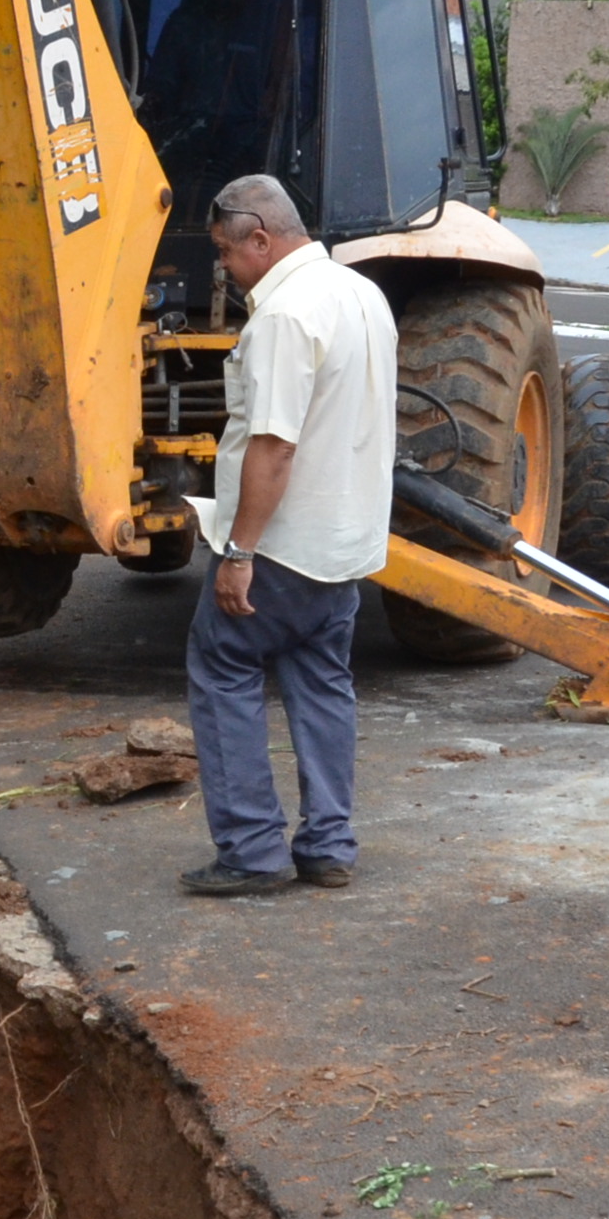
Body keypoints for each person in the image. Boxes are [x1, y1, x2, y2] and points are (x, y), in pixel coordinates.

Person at [180, 174, 395, 898]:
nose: (223, 267)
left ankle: (251, 850)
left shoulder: (283, 314)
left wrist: (237, 552)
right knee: (322, 679)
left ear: (261, 239)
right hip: (345, 542)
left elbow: (273, 447)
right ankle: (329, 845)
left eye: (225, 252)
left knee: (222, 664)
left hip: (282, 545)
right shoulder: (362, 295)